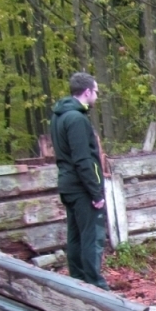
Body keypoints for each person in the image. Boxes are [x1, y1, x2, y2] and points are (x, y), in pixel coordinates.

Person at [51, 72, 110, 290]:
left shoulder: (59, 116)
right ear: (87, 92)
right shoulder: (76, 119)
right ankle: (94, 284)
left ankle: (77, 279)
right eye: (95, 91)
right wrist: (96, 193)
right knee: (91, 236)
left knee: (75, 234)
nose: (96, 96)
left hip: (68, 185)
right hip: (81, 187)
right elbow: (83, 160)